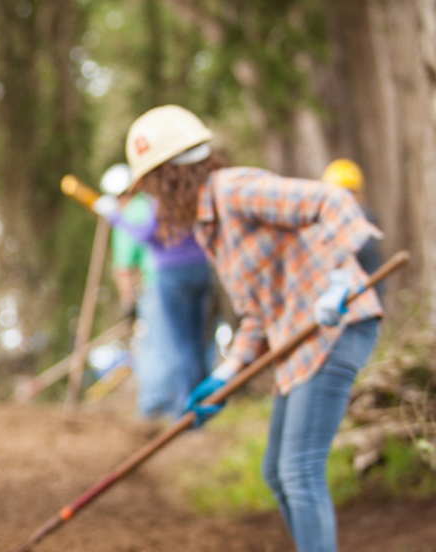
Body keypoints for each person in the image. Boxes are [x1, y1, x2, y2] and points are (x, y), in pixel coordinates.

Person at [124, 105, 382, 552]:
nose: (151, 199)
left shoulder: (236, 190)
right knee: (277, 473)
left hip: (338, 328)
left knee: (299, 469)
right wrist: (223, 377)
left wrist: (341, 277)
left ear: (169, 176)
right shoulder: (210, 229)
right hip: (298, 344)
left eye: (149, 185)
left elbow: (332, 200)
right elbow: (257, 315)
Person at [94, 160, 215, 419]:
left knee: (173, 346)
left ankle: (177, 409)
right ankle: (201, 405)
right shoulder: (186, 193)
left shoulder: (146, 206)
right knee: (197, 342)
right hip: (201, 269)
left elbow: (127, 263)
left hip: (167, 278)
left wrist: (115, 218)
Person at [321, 159, 384, 298]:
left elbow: (361, 252)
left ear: (359, 194)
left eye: (349, 193)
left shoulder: (365, 220)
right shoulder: (323, 222)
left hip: (365, 296)